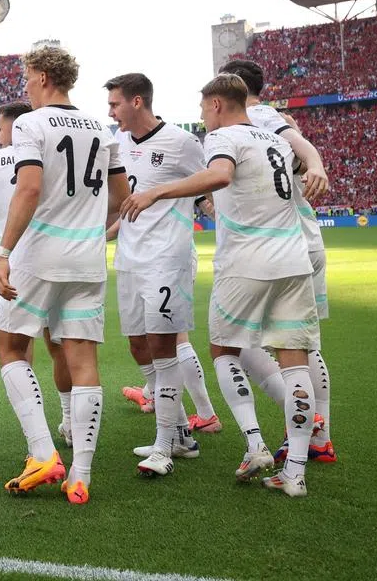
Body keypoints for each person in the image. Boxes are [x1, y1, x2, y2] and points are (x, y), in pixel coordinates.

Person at [121, 73, 320, 497]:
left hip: (246, 261)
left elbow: (221, 176)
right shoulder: (276, 139)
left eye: (202, 108)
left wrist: (157, 193)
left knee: (224, 350)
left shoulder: (222, 137)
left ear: (216, 105)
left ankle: (255, 444)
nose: (202, 117)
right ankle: (296, 472)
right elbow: (300, 167)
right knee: (296, 365)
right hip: (294, 261)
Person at [0, 47, 130, 505]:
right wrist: (85, 221)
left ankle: (42, 453)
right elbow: (121, 197)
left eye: (27, 77)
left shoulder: (30, 124)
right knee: (83, 359)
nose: (26, 85)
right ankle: (80, 475)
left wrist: (4, 251)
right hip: (88, 258)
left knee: (10, 346)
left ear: (43, 77)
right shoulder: (101, 129)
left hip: (40, 255)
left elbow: (29, 188)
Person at [219, 60, 337, 464]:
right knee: (304, 345)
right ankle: (318, 436)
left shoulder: (259, 117)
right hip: (302, 241)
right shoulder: (268, 120)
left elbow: (300, 148)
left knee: (239, 344)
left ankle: (306, 425)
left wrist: (315, 162)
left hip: (282, 245)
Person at [102, 73, 220, 478]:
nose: (110, 112)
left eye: (115, 104)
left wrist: (214, 210)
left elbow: (209, 184)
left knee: (163, 345)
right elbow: (121, 203)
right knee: (138, 345)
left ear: (137, 102)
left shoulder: (181, 142)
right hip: (130, 258)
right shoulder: (117, 145)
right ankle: (182, 433)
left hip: (168, 257)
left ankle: (165, 446)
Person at [0, 102, 73, 449]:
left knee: (14, 347)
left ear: (15, 125)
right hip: (60, 256)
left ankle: (36, 436)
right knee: (59, 346)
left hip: (15, 262)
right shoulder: (54, 151)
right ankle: (70, 421)